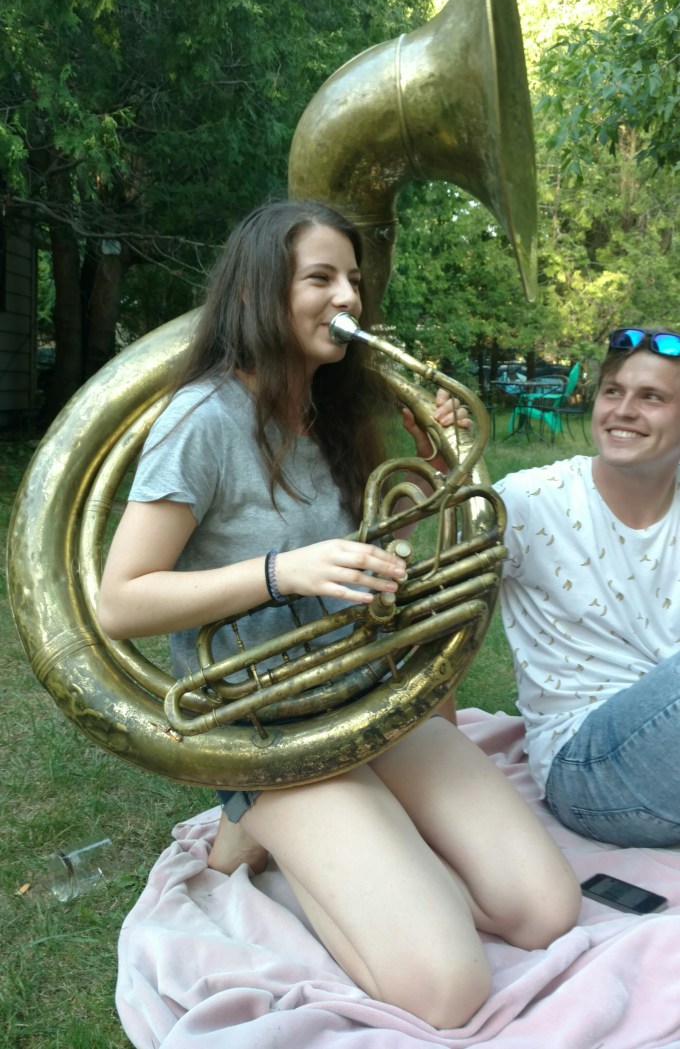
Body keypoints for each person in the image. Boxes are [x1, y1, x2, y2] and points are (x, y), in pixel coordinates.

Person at [98, 200, 579, 1030]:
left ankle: (337, 845)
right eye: (320, 278)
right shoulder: (200, 420)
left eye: (353, 278)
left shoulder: (332, 408)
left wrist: (432, 479)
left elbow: (373, 548)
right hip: (272, 729)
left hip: (366, 695)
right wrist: (280, 573)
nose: (348, 296)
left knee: (545, 911)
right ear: (255, 292)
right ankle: (277, 832)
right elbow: (121, 599)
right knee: (447, 987)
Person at [495, 326, 680, 849]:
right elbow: (435, 620)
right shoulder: (530, 501)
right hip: (586, 768)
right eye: (613, 391)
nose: (624, 410)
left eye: (652, 397)